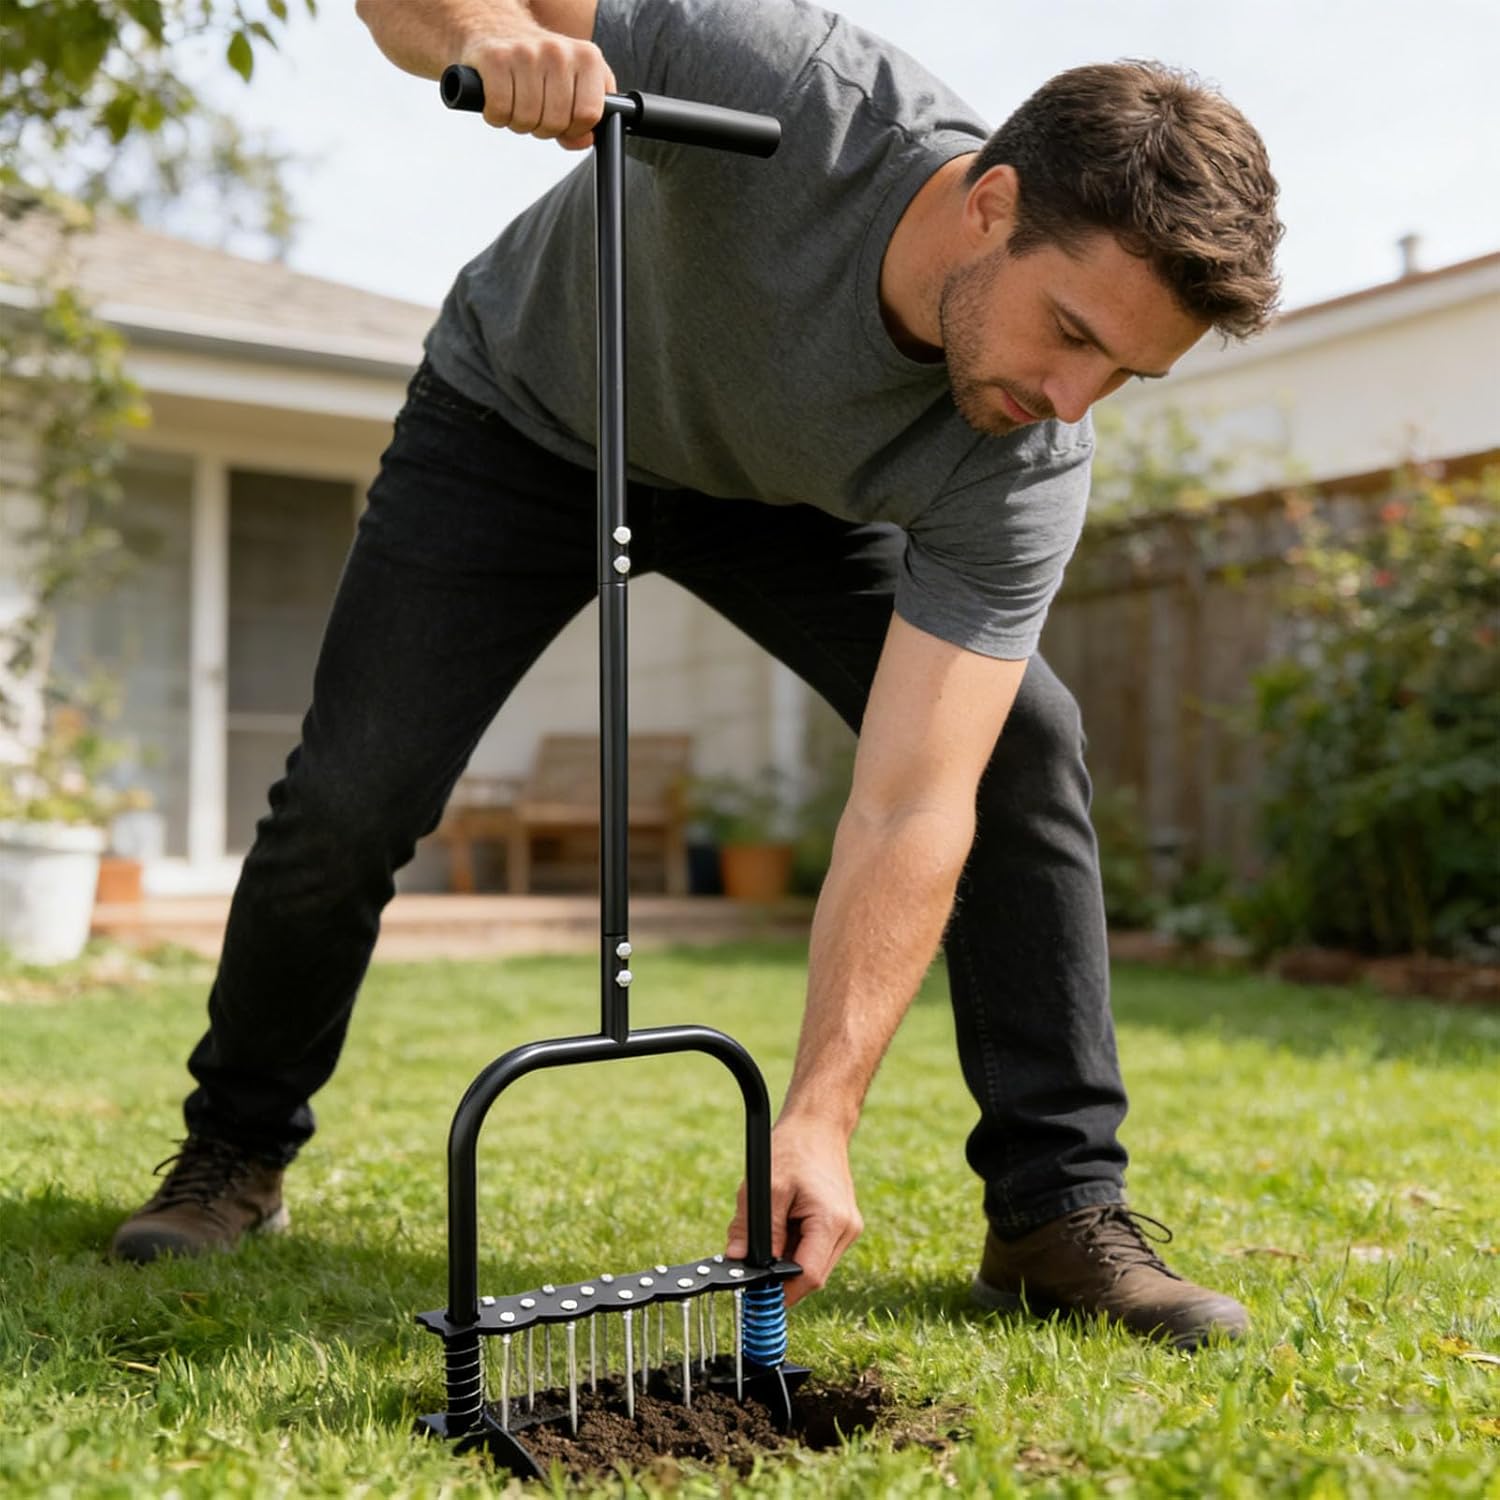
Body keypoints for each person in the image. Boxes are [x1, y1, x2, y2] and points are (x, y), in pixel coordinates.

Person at [111, 0, 1281, 1351]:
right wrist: (493, 36)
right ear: (991, 202)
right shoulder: (788, 86)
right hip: (528, 420)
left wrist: (819, 1117)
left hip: (783, 497)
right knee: (350, 797)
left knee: (1017, 741)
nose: (1075, 400)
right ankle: (233, 1156)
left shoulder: (1023, 457)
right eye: (1070, 332)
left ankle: (1054, 1210)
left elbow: (912, 805)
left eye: (1123, 374)